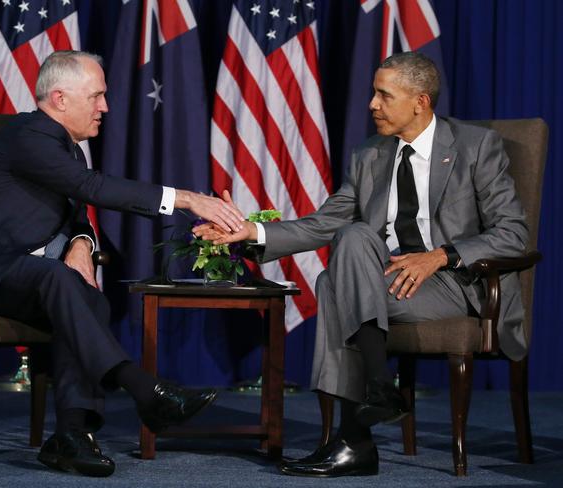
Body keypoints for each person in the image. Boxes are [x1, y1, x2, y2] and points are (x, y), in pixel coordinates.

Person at [194, 52, 528, 477]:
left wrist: (439, 256)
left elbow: (513, 233)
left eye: (383, 95)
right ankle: (375, 391)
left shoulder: (475, 147)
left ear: (420, 102)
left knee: (334, 286)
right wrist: (253, 234)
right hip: (385, 283)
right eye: (374, 93)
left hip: (455, 284)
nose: (372, 104)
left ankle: (353, 439)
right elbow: (326, 223)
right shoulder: (370, 155)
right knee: (351, 240)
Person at [0, 50, 245, 478]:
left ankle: (72, 436)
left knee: (87, 297)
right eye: (97, 96)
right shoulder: (30, 134)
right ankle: (143, 387)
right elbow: (90, 187)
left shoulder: (67, 151)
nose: (105, 108)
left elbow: (79, 212)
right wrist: (188, 199)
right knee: (59, 281)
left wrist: (80, 241)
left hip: (29, 275)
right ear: (60, 98)